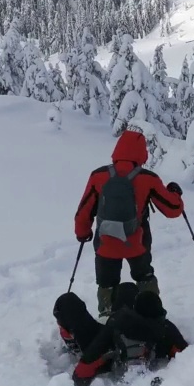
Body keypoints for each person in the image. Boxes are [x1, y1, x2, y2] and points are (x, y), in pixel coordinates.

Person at [75, 129, 185, 319]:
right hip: (136, 244)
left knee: (106, 282)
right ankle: (151, 315)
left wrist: (82, 232)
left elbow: (84, 210)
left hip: (105, 244)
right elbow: (173, 209)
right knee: (144, 276)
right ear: (142, 153)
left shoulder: (98, 176)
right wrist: (175, 192)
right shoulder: (148, 178)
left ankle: (107, 318)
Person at [53, 284, 189, 386]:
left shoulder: (116, 324)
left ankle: (73, 340)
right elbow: (187, 356)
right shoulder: (165, 328)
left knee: (67, 303)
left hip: (111, 350)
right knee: (128, 288)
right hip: (134, 340)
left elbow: (82, 373)